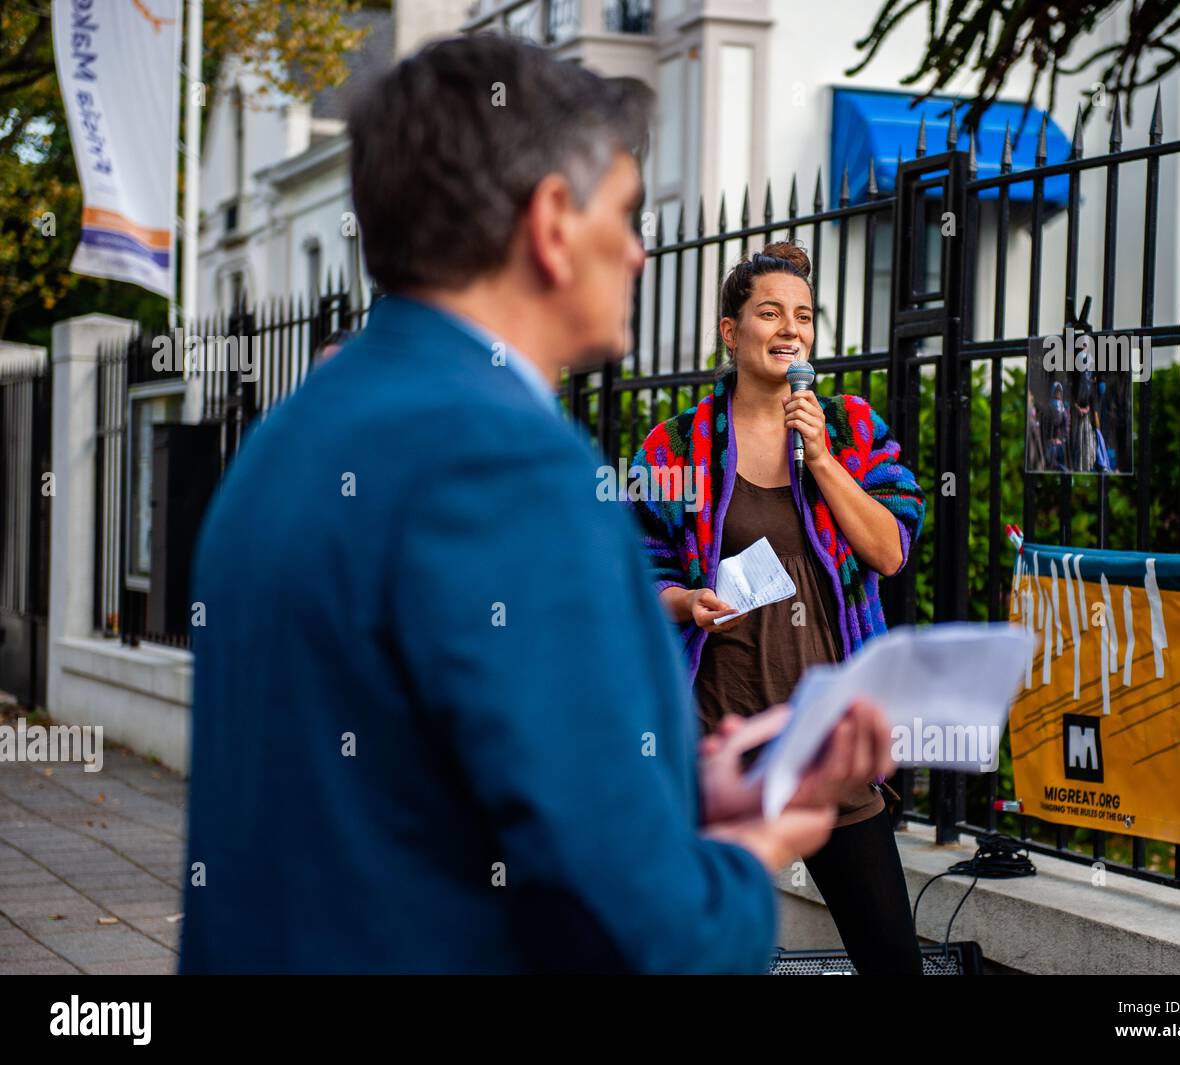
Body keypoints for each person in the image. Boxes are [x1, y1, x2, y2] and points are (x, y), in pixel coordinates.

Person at [179, 35, 895, 975]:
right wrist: (750, 842)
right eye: (628, 214)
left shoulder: (286, 436)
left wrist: (682, 794)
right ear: (554, 222)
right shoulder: (509, 467)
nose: (640, 251)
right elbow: (644, 929)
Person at [629, 241, 927, 974]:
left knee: (892, 958)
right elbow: (633, 568)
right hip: (715, 739)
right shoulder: (679, 445)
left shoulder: (852, 429)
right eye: (770, 312)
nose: (789, 328)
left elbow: (890, 549)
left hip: (824, 743)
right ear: (731, 332)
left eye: (803, 315)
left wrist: (822, 459)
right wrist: (683, 599)